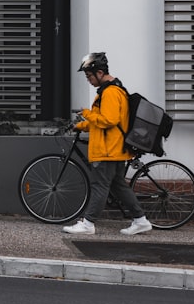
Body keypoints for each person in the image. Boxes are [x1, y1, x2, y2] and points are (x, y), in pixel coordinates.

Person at [62, 52, 152, 236]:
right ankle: (141, 220)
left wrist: (86, 113)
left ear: (100, 72)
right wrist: (80, 126)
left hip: (107, 150)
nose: (88, 80)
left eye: (89, 76)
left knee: (100, 185)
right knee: (118, 185)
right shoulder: (112, 90)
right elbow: (102, 121)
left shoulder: (110, 92)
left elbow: (108, 120)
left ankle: (88, 224)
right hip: (114, 148)